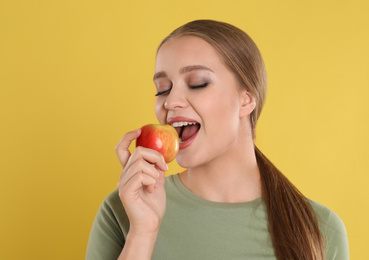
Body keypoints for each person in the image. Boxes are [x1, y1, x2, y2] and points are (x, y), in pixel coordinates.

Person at [86, 20, 349, 260]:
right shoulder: (124, 210)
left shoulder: (319, 229)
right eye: (163, 89)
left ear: (245, 100)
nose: (170, 101)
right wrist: (142, 234)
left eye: (198, 83)